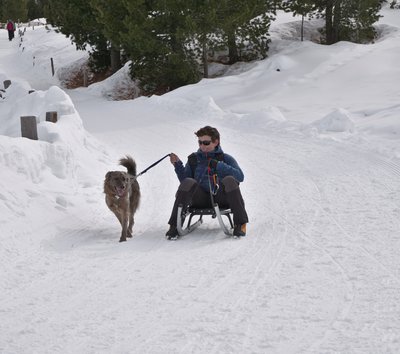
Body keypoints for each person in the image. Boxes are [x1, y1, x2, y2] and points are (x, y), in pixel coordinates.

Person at [166, 125, 248, 239]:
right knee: (189, 181)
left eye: (206, 143)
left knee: (230, 180)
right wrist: (177, 165)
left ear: (216, 142)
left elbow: (240, 177)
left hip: (220, 198)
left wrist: (219, 166)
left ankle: (240, 224)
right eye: (200, 142)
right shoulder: (194, 159)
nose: (202, 146)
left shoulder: (226, 158)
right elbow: (185, 182)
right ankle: (174, 225)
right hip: (199, 199)